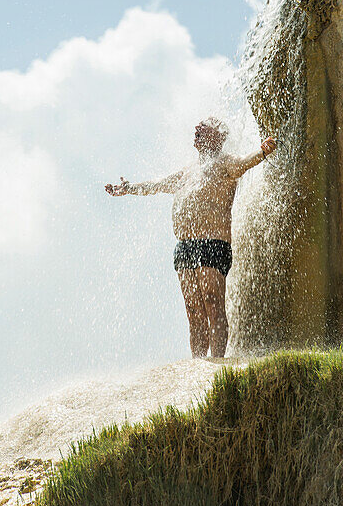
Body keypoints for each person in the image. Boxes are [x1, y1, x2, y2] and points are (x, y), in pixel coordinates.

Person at [105, 118, 277, 358]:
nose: (197, 128)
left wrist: (262, 151)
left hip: (213, 244)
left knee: (212, 304)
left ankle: (217, 362)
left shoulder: (225, 163)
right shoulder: (188, 170)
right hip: (185, 247)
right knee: (194, 311)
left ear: (218, 136)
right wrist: (129, 188)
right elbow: (157, 185)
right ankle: (197, 363)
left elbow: (245, 163)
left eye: (204, 126)